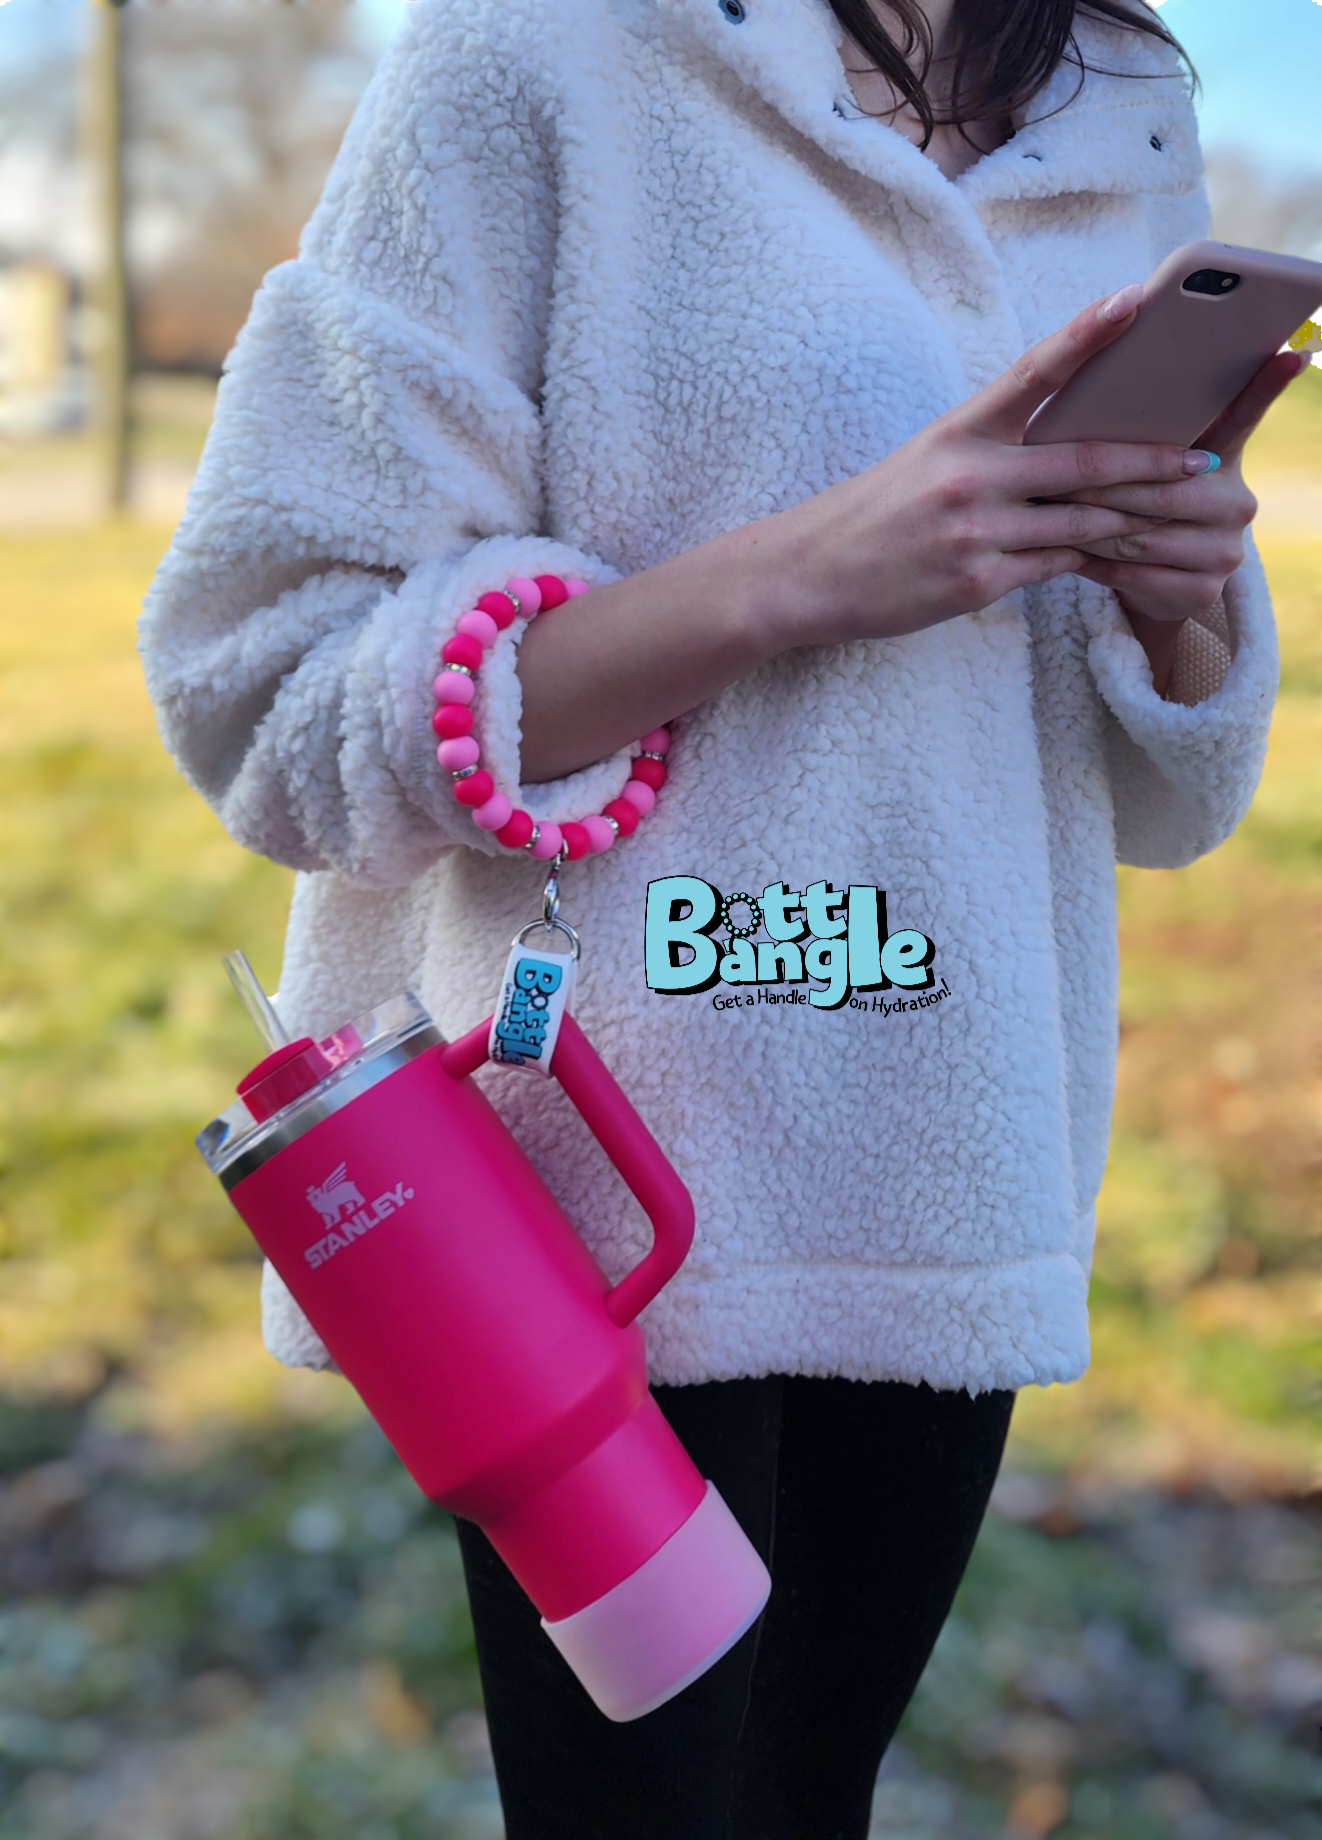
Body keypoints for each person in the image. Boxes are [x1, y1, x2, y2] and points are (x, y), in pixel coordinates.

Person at [140, 1, 1305, 1833]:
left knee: (810, 1799)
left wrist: (1180, 598)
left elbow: (1168, 798)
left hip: (943, 1158)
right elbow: (265, 692)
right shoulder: (531, 54)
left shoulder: (1110, 95)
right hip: (589, 1220)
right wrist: (808, 574)